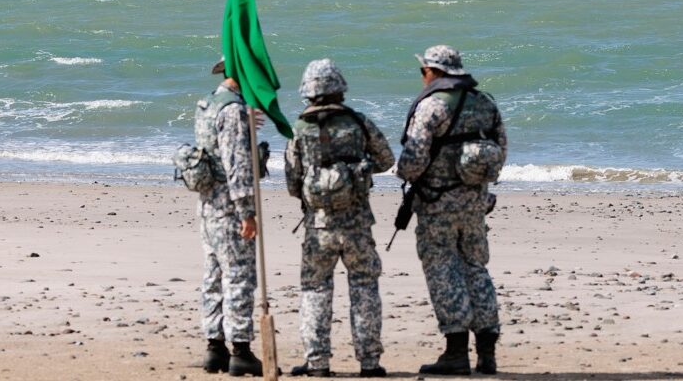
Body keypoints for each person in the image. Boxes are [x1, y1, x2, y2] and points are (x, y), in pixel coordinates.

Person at [398, 46, 508, 375]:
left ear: (434, 71)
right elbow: (501, 151)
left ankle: (456, 351)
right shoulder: (485, 102)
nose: (422, 77)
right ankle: (487, 354)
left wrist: (405, 174)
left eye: (423, 71)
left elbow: (412, 161)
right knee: (476, 268)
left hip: (437, 204)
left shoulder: (431, 106)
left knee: (443, 270)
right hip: (475, 202)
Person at [284, 60, 394, 378]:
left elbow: (293, 182)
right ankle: (370, 362)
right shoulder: (359, 123)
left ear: (308, 92)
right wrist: (357, 172)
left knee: (315, 288)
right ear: (339, 87)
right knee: (364, 287)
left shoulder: (300, 129)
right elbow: (386, 160)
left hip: (319, 226)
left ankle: (317, 362)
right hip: (358, 223)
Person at [193, 60, 265, 377]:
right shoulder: (233, 110)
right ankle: (241, 350)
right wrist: (247, 212)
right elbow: (237, 166)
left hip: (207, 205)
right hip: (229, 207)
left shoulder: (208, 103)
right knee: (238, 276)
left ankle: (215, 346)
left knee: (213, 276)